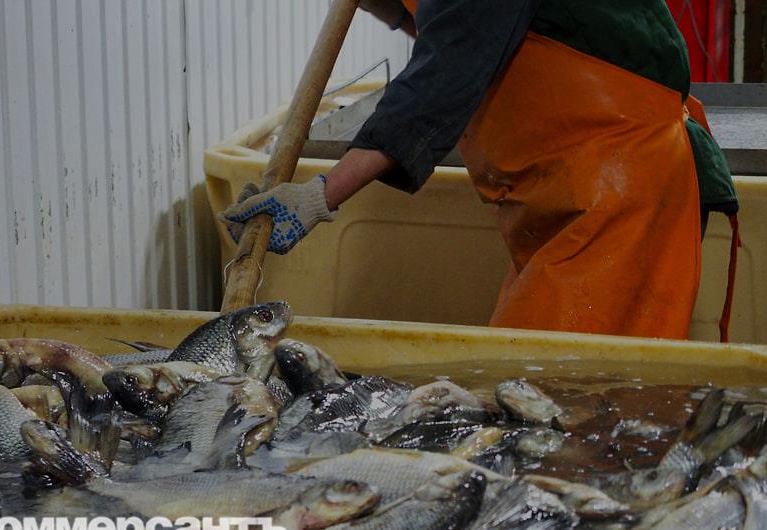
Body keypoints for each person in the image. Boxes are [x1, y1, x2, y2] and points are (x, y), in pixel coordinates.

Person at [220, 0, 738, 340]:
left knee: (566, 400)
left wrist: (317, 197)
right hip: (568, 190)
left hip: (619, 188)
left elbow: (446, 69)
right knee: (541, 392)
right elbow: (465, 24)